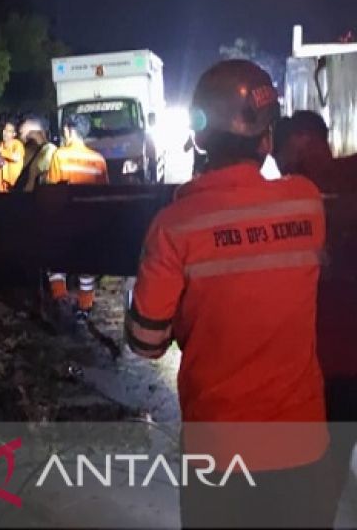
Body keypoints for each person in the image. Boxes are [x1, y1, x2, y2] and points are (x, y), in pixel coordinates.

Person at [125, 61, 330, 529]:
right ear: (266, 138)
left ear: (198, 137)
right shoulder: (307, 204)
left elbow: (145, 341)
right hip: (303, 449)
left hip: (218, 455)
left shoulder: (174, 226)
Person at [273, 109, 357, 525]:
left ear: (302, 140)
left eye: (281, 151)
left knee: (321, 478)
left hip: (327, 363)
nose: (278, 162)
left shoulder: (294, 197)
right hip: (333, 360)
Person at [45, 113, 109, 322]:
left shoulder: (60, 156)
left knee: (53, 259)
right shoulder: (98, 160)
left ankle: (61, 298)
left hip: (64, 228)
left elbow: (52, 193)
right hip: (90, 230)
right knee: (86, 264)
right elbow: (104, 197)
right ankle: (85, 306)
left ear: (69, 131)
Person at [12, 114, 57, 193]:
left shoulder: (49, 150)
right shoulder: (29, 151)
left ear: (41, 132)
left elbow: (32, 183)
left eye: (27, 133)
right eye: (21, 133)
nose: (22, 137)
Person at [0, 120, 25, 193]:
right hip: (1, 188)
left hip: (14, 187)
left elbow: (16, 157)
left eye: (8, 131)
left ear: (14, 134)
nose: (5, 133)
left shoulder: (17, 144)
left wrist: (1, 151)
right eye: (4, 130)